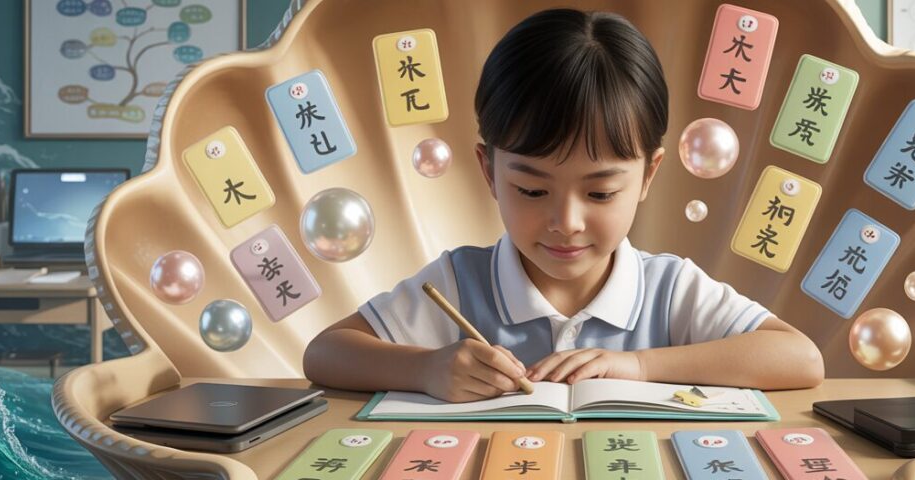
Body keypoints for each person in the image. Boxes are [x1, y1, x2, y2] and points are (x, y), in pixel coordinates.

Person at [304, 8, 823, 402]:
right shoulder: (462, 281)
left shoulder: (669, 289)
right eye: (532, 190)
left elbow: (800, 358)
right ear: (489, 171)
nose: (566, 223)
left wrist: (639, 367)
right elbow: (324, 353)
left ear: (649, 174)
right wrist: (426, 369)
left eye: (600, 193)